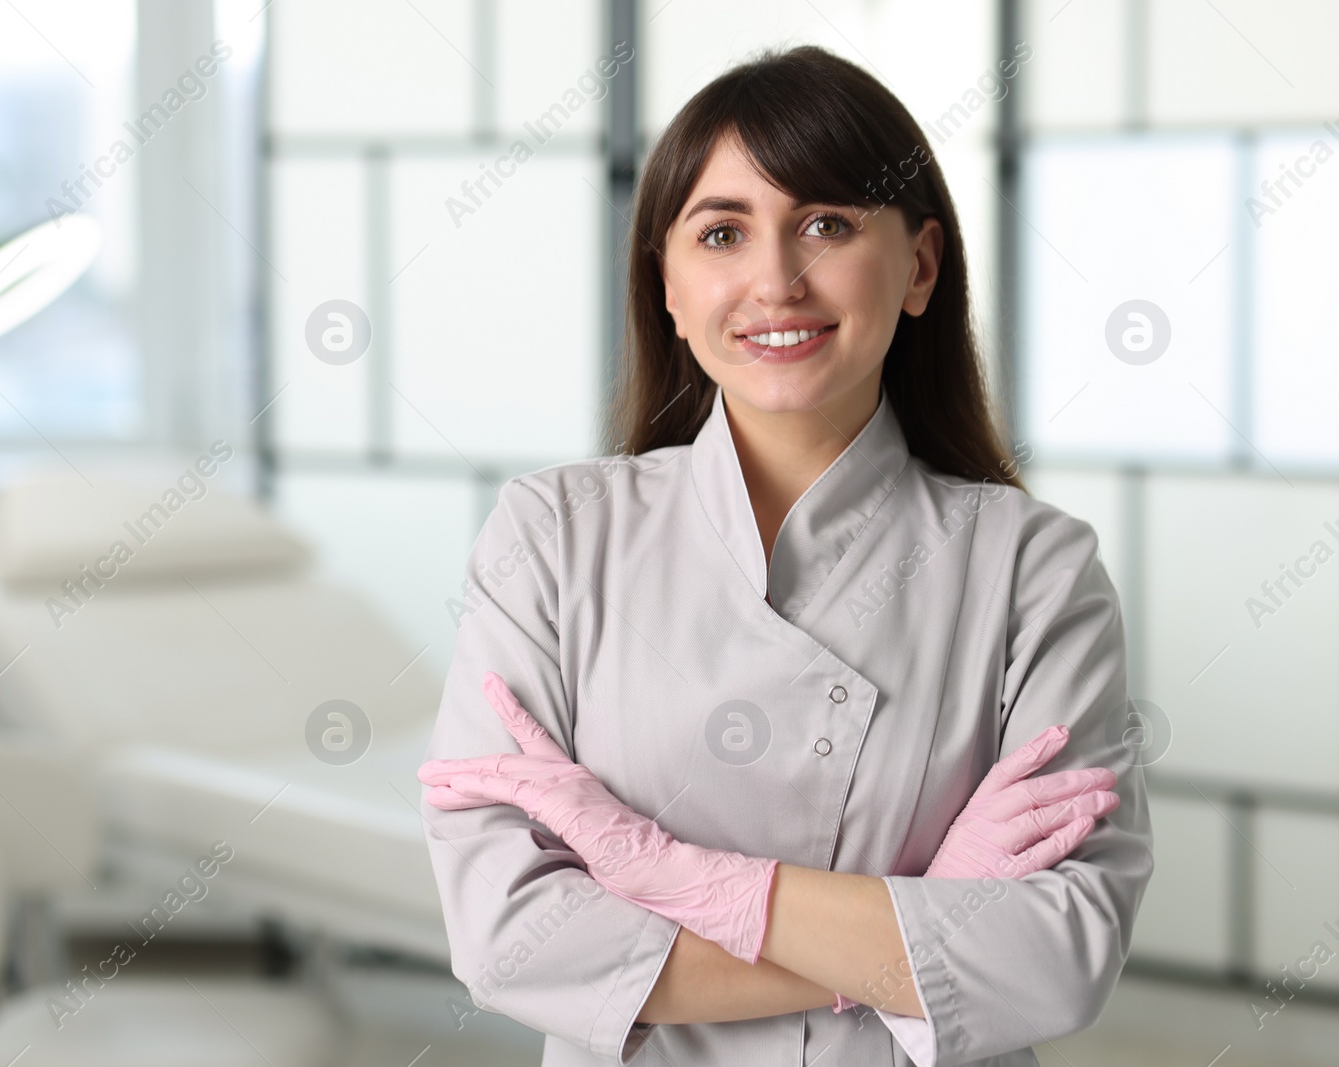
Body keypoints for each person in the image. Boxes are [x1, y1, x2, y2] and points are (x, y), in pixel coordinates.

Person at [416, 43, 1153, 1067]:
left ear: (919, 266)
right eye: (721, 232)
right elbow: (508, 939)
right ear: (666, 287)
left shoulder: (1034, 569)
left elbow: (1060, 956)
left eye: (826, 223)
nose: (774, 278)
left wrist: (671, 874)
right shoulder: (552, 538)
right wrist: (927, 925)